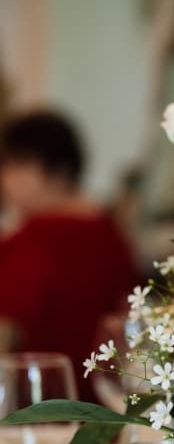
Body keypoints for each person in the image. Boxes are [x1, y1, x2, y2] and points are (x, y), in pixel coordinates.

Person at [0, 110, 140, 400]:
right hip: (108, 406)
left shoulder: (30, 241)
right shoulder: (112, 232)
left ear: (57, 171)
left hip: (36, 409)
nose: (7, 180)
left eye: (16, 166)